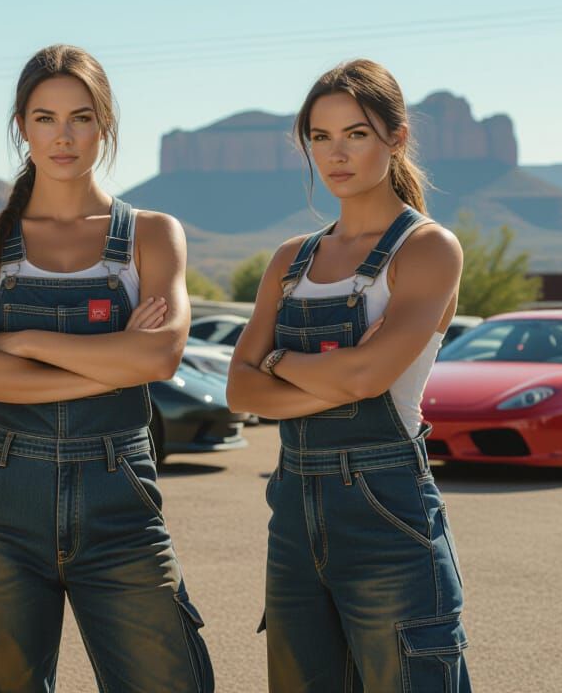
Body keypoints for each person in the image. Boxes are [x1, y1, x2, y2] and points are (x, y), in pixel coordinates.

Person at [0, 44, 214, 692]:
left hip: (121, 498)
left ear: (105, 125)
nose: (63, 136)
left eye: (81, 118)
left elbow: (160, 355)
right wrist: (113, 364)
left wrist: (25, 340)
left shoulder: (152, 234)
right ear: (22, 127)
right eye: (45, 118)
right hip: (3, 499)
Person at [226, 59, 471, 691]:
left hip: (387, 507)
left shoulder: (428, 248)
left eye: (356, 134)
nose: (336, 154)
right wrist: (332, 371)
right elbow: (239, 389)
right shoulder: (291, 259)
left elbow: (366, 379)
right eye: (320, 136)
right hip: (293, 509)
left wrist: (278, 362)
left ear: (397, 137)